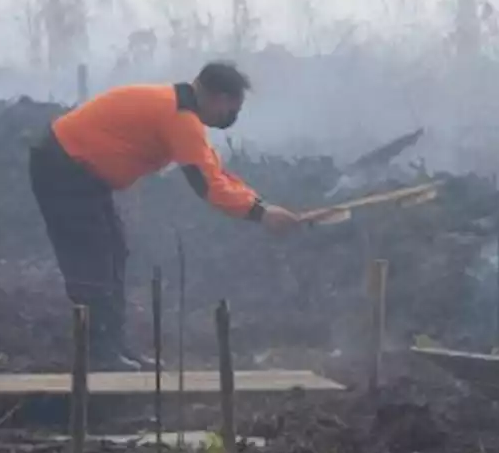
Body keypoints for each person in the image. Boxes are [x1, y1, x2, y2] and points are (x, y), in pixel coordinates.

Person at [28, 61, 301, 371]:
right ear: (219, 99)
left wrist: (261, 206)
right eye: (232, 109)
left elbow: (214, 172)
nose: (231, 118)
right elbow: (208, 186)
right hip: (63, 167)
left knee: (113, 252)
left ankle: (112, 346)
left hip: (77, 170)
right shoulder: (179, 118)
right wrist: (260, 214)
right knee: (94, 257)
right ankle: (100, 354)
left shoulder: (179, 111)